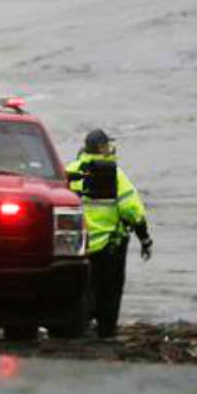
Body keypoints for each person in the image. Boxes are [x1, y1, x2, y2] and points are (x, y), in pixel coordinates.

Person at [66, 128, 152, 338]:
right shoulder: (115, 174)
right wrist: (145, 238)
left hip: (76, 246)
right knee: (110, 293)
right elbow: (132, 210)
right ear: (102, 148)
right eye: (107, 145)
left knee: (79, 291)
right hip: (110, 247)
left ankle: (75, 329)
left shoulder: (70, 171)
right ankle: (106, 332)